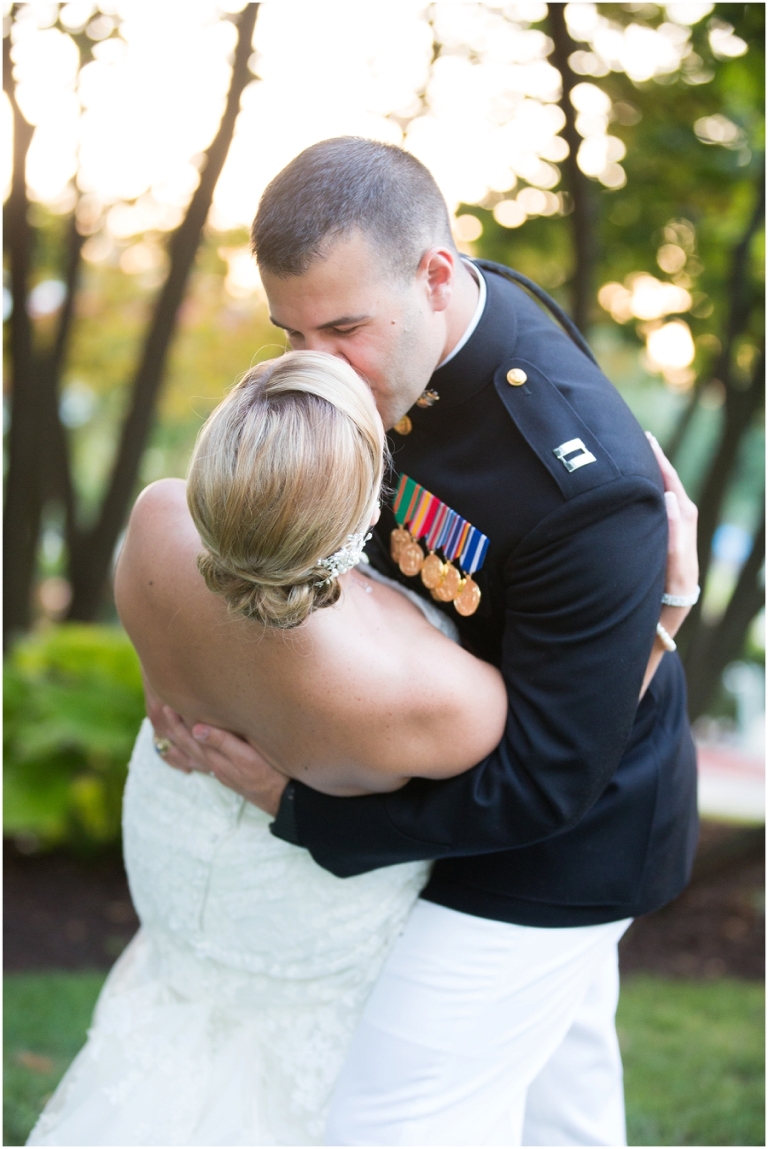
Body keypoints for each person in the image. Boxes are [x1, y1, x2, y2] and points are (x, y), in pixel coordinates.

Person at [155, 137, 701, 1147]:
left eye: (344, 328)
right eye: (291, 331)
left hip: (556, 844)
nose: (313, 366)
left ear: (438, 277)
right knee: (563, 1115)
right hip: (430, 759)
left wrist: (301, 805)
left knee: (392, 1116)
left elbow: (548, 778)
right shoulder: (378, 346)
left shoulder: (587, 486)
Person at [27, 350, 694, 1148]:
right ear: (365, 502)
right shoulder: (428, 690)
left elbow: (172, 656)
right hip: (296, 898)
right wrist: (656, 629)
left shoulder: (156, 521)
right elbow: (545, 758)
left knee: (183, 1027)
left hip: (178, 826)